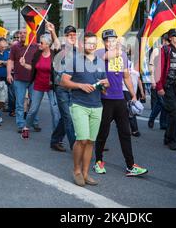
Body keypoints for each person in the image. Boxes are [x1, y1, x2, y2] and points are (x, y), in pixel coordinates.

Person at [93, 29, 148, 177]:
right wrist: (119, 49)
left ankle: (131, 166)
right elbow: (107, 55)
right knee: (103, 132)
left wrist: (133, 95)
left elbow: (126, 77)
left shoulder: (123, 55)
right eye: (107, 40)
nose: (110, 42)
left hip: (119, 98)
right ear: (103, 42)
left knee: (125, 132)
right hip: (105, 100)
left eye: (113, 39)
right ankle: (98, 161)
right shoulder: (99, 53)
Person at [60, 32, 109, 187]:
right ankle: (76, 171)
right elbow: (63, 82)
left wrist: (104, 84)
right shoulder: (74, 60)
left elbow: (105, 83)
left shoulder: (100, 62)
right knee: (81, 139)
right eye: (89, 43)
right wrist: (80, 85)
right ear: (82, 44)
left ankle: (86, 173)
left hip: (97, 105)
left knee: (90, 142)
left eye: (94, 43)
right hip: (79, 104)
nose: (92, 46)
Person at [20, 34, 61, 146]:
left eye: (41, 43)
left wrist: (52, 31)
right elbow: (32, 68)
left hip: (51, 87)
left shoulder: (54, 54)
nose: (39, 44)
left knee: (55, 111)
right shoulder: (37, 54)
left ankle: (56, 135)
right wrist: (24, 65)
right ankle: (26, 127)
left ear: (48, 44)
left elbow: (58, 45)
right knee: (33, 109)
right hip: (38, 85)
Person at [156, 28, 176, 150]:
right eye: (175, 36)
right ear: (170, 38)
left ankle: (168, 137)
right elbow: (159, 69)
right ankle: (171, 140)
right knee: (173, 111)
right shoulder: (165, 50)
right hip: (168, 86)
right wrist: (159, 86)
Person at [50, 25, 78, 151]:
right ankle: (75, 147)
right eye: (68, 35)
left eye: (73, 34)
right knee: (68, 117)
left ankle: (55, 140)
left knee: (66, 116)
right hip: (61, 87)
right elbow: (55, 42)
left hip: (72, 87)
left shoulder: (78, 51)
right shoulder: (60, 48)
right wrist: (52, 31)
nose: (71, 37)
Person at [148, 35, 169, 130]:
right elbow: (152, 66)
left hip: (167, 81)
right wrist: (153, 80)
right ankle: (152, 118)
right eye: (167, 41)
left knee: (163, 103)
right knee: (162, 102)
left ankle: (162, 123)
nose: (169, 43)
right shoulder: (157, 50)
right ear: (164, 40)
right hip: (158, 79)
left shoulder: (169, 50)